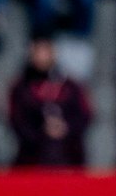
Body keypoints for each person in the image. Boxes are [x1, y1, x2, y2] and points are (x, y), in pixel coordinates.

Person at [9, 37, 92, 168]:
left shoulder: (71, 86)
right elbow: (17, 120)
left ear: (54, 53)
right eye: (38, 52)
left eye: (46, 51)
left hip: (69, 155)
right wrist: (42, 131)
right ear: (31, 53)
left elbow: (84, 115)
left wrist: (66, 128)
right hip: (32, 156)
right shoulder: (20, 87)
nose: (42, 57)